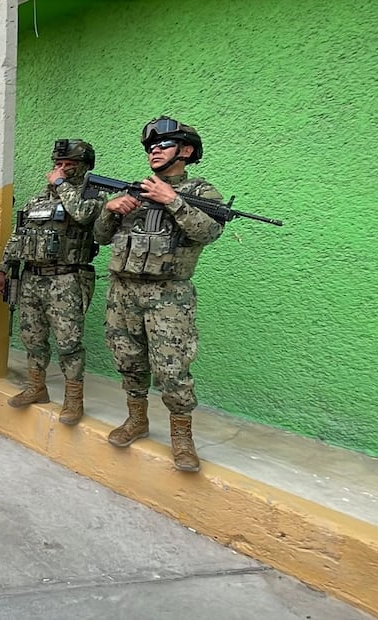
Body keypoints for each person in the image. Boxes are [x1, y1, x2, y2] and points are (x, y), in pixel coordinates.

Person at [93, 116, 225, 473]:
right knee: (127, 357)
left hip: (168, 294)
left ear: (185, 151)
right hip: (123, 289)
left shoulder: (201, 193)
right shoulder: (136, 189)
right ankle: (137, 420)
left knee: (172, 366)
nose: (154, 150)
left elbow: (209, 233)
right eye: (150, 146)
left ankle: (182, 438)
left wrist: (173, 201)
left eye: (163, 145)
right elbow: (102, 237)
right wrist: (109, 210)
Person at [0, 139, 103, 424]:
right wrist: (4, 269)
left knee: (69, 343)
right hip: (32, 278)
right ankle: (36, 387)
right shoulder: (38, 200)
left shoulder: (92, 195)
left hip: (67, 278)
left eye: (69, 165)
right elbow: (19, 237)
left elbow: (83, 215)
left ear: (84, 167)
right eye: (58, 164)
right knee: (32, 338)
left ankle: (73, 400)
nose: (61, 169)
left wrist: (62, 184)